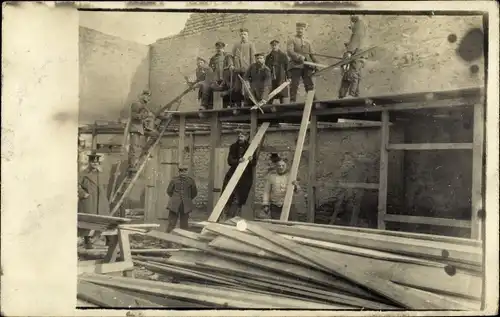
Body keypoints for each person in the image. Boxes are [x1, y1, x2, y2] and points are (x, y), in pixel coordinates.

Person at [221, 130, 260, 219]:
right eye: (239, 136)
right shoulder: (233, 147)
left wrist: (251, 160)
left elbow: (254, 162)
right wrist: (238, 161)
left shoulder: (251, 147)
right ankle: (226, 214)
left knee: (239, 198)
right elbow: (230, 161)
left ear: (246, 137)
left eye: (242, 136)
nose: (240, 138)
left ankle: (234, 217)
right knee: (228, 195)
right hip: (233, 174)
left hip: (245, 176)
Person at [78, 152, 111, 249]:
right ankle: (87, 241)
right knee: (88, 220)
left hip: (100, 200)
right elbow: (76, 185)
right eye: (93, 162)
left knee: (104, 219)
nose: (95, 164)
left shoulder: (102, 173)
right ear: (89, 162)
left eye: (96, 162)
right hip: (89, 200)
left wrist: (104, 198)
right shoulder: (83, 173)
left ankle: (108, 239)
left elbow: (105, 186)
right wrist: (83, 194)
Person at [286, 22, 319, 102]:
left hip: (307, 66)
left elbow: (312, 55)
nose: (300, 30)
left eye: (301, 29)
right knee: (294, 85)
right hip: (295, 66)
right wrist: (300, 57)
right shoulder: (292, 40)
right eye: (298, 29)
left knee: (309, 84)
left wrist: (316, 64)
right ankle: (292, 102)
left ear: (304, 30)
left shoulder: (308, 41)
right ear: (296, 29)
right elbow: (290, 51)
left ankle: (313, 101)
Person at [128, 90, 158, 172]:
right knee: (134, 147)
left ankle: (144, 151)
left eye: (149, 97)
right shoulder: (137, 104)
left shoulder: (144, 106)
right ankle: (132, 166)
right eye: (147, 96)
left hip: (141, 128)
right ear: (143, 96)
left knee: (155, 134)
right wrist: (145, 115)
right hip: (135, 128)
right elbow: (134, 116)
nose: (148, 98)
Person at [339, 15, 367, 99]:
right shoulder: (361, 27)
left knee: (352, 75)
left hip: (356, 56)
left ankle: (350, 95)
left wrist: (349, 52)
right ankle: (350, 94)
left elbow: (354, 40)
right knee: (354, 76)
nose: (350, 27)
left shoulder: (359, 27)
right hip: (359, 56)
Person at [165, 165, 198, 233]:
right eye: (181, 172)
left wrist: (187, 199)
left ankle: (183, 241)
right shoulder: (174, 180)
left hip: (185, 205)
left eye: (184, 171)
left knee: (184, 224)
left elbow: (194, 193)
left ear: (186, 172)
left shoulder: (191, 181)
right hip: (174, 205)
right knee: (171, 223)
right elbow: (169, 191)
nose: (183, 173)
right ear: (179, 172)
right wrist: (175, 198)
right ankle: (167, 239)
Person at [231, 28, 256, 107]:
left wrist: (252, 69)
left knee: (246, 87)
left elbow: (253, 58)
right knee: (237, 88)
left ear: (248, 35)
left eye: (245, 34)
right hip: (237, 70)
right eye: (241, 34)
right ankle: (237, 104)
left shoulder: (250, 45)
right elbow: (231, 57)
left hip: (247, 70)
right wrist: (231, 65)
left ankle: (246, 103)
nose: (243, 36)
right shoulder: (236, 45)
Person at [208, 41, 234, 108]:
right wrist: (213, 79)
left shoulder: (227, 56)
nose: (218, 49)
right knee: (212, 91)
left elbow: (230, 65)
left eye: (220, 48)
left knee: (228, 92)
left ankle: (229, 107)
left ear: (223, 48)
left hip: (225, 79)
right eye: (217, 48)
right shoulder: (213, 58)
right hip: (217, 80)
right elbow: (210, 70)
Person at [265, 40, 290, 104]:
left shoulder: (283, 56)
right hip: (271, 78)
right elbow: (266, 68)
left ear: (278, 46)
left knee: (282, 93)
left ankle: (283, 109)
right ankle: (269, 110)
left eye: (275, 45)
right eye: (272, 45)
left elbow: (287, 67)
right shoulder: (268, 57)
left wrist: (289, 77)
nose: (274, 47)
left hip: (280, 77)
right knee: (271, 94)